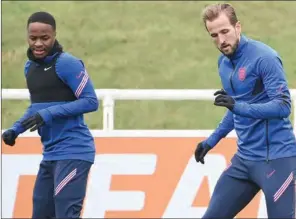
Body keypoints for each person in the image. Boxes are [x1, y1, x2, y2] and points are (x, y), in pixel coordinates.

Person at [194, 3, 296, 218]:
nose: (221, 40)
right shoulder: (223, 63)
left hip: (277, 159)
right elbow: (236, 109)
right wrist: (211, 141)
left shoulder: (264, 58)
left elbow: (283, 106)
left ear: (237, 27)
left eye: (225, 32)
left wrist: (237, 105)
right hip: (244, 161)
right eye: (214, 35)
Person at [2, 11, 99, 218]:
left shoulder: (67, 63)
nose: (38, 43)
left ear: (54, 35)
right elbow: (36, 108)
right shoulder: (30, 68)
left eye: (44, 38)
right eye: (33, 38)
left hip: (74, 151)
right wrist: (15, 129)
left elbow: (91, 101)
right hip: (51, 154)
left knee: (66, 215)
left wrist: (49, 114)